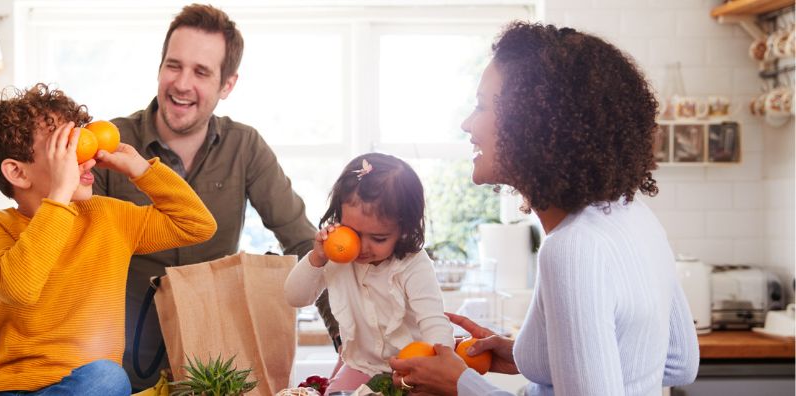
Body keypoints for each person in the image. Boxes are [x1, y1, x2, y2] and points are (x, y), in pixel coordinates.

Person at [388, 22, 700, 395]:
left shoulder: (572, 249)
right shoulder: (633, 216)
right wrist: (531, 356)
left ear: (531, 123)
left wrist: (460, 385)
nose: (467, 124)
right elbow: (678, 362)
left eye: (482, 106)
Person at [91, 4, 330, 390]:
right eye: (174, 65)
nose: (182, 83)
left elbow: (305, 244)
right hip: (119, 362)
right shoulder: (111, 143)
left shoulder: (245, 147)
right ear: (159, 68)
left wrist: (345, 340)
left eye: (201, 72)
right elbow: (76, 255)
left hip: (214, 367)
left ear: (227, 85)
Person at [0, 83, 217, 395]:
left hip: (87, 385)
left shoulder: (108, 217)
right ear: (17, 172)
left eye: (82, 139)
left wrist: (141, 170)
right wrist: (60, 194)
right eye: (65, 148)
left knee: (108, 377)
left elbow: (196, 224)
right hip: (6, 389)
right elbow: (20, 287)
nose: (86, 157)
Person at [284, 153, 454, 394]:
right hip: (360, 366)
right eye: (353, 232)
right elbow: (295, 297)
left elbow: (434, 322)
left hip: (411, 370)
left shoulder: (413, 264)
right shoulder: (337, 255)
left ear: (404, 230)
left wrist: (442, 369)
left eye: (379, 238)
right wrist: (317, 258)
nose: (362, 248)